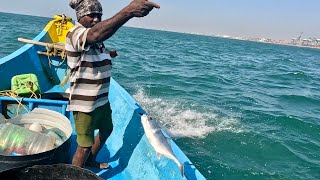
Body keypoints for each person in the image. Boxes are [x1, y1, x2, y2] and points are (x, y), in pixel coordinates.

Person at [65, 0, 160, 169]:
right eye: (91, 15)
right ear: (80, 16)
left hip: (101, 100)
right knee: (84, 145)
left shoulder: (95, 40)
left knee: (106, 130)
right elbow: (94, 36)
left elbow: (94, 49)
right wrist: (128, 12)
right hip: (84, 104)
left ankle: (90, 161)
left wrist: (109, 54)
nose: (96, 19)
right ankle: (74, 173)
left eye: (99, 15)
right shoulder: (75, 33)